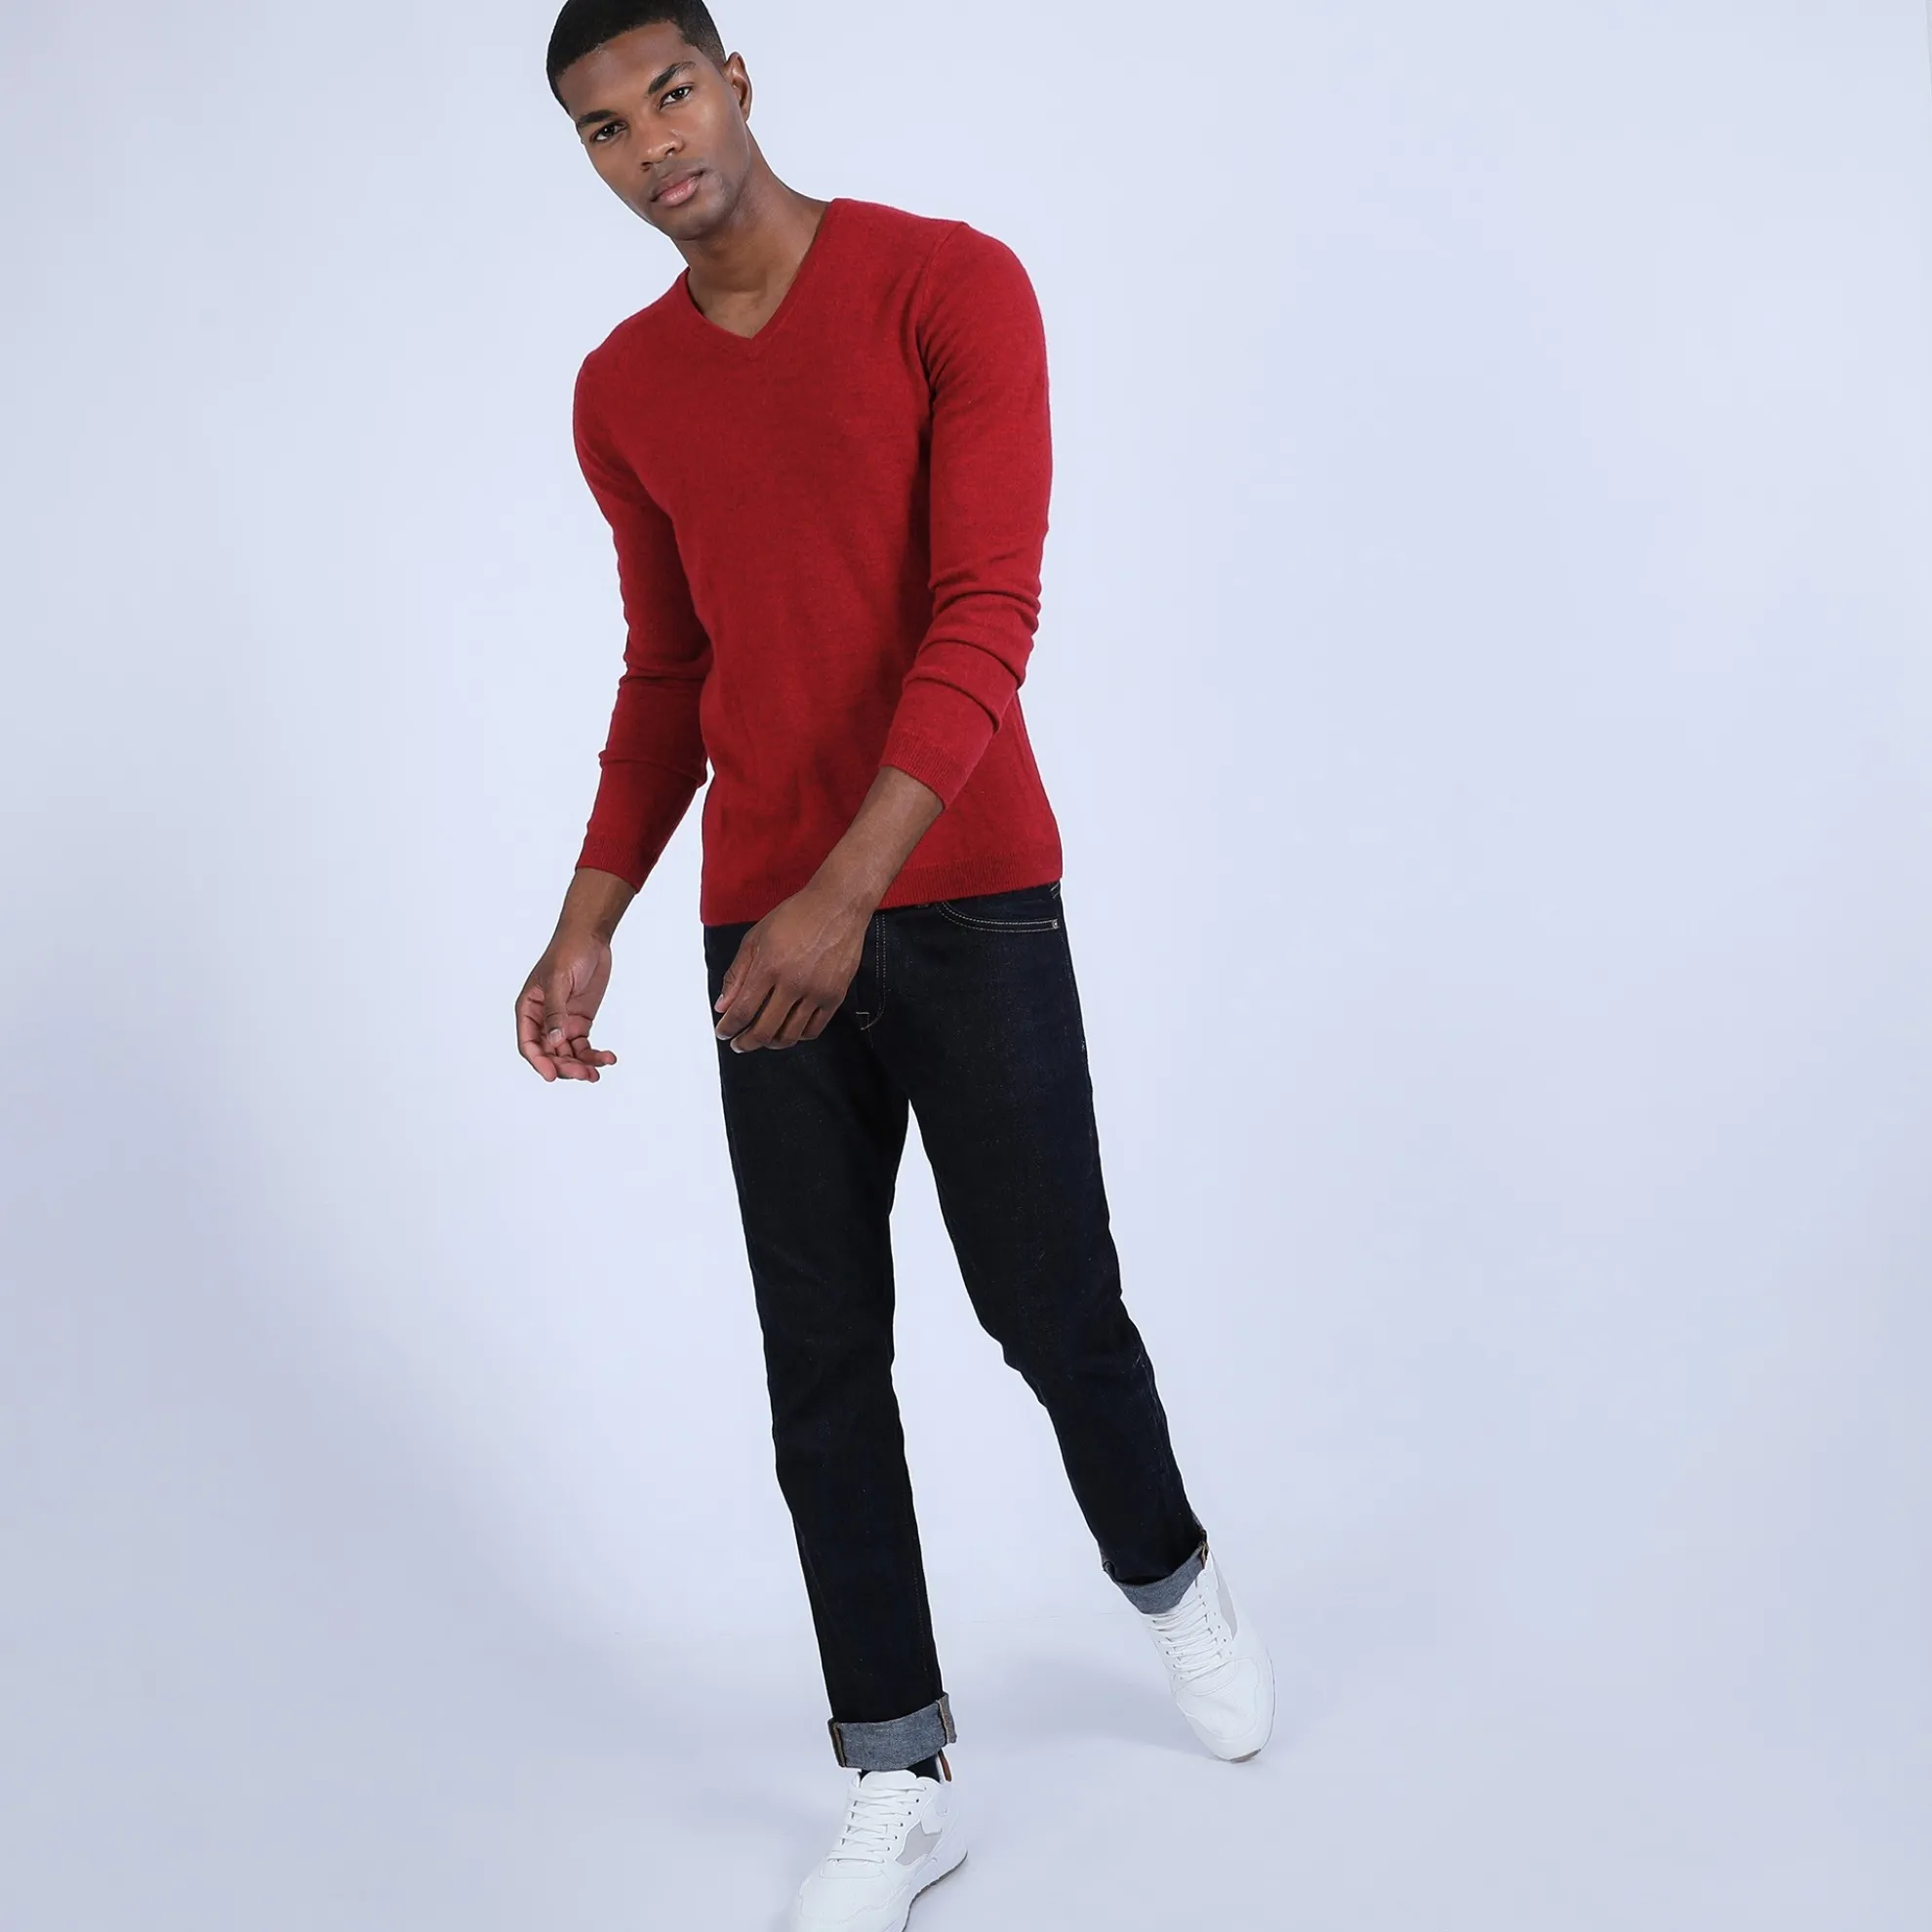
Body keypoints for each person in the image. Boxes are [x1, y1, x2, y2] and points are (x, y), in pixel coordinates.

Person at [516, 6, 1274, 1926]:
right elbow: (671, 673)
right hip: (758, 931)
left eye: (669, 93)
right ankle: (896, 1767)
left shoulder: (949, 285)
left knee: (1051, 1307)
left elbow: (984, 613)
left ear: (736, 80)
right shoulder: (622, 390)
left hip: (965, 892)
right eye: (602, 129)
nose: (650, 145)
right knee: (822, 1363)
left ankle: (1174, 1578)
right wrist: (590, 918)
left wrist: (843, 893)